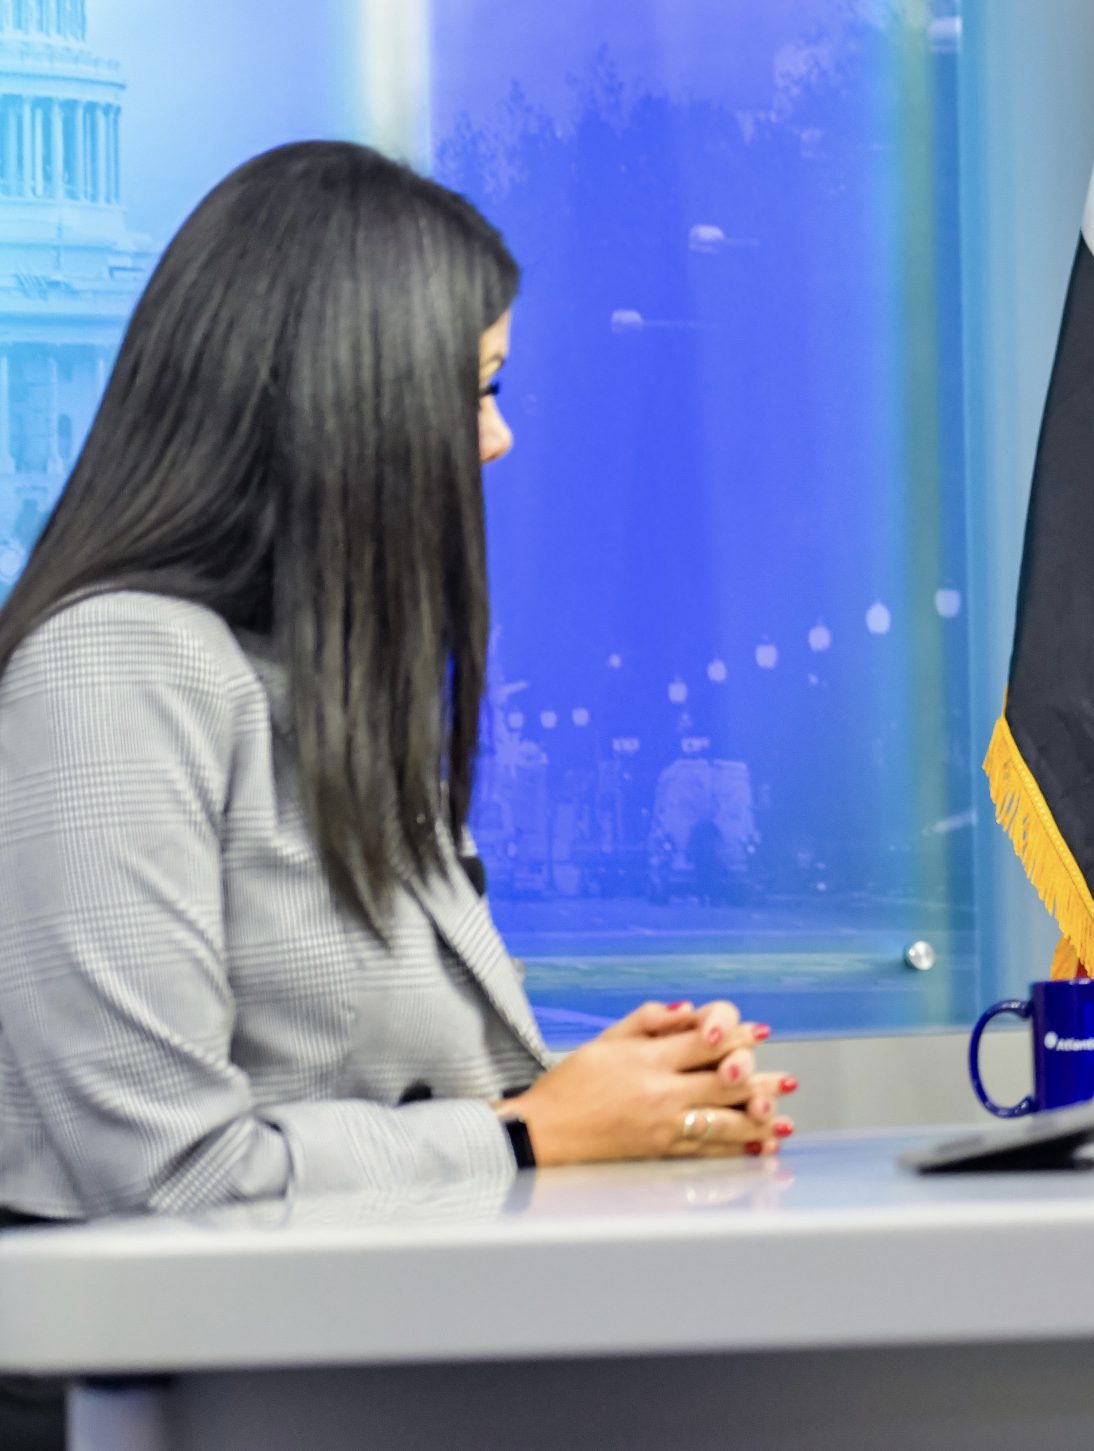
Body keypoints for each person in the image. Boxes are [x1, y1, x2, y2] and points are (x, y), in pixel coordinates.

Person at [0, 142, 799, 1451]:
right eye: (478, 388)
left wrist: (643, 1088)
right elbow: (168, 1178)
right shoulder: (112, 667)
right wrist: (538, 1133)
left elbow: (436, 1093)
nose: (499, 436)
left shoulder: (330, 686)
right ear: (346, 400)